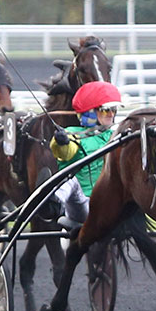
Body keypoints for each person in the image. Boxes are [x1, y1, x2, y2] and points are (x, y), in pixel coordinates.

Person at [48, 81, 125, 229]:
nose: (111, 114)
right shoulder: (72, 134)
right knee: (71, 181)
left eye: (113, 109)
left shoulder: (117, 135)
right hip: (83, 206)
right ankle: (54, 204)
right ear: (89, 112)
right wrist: (61, 142)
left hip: (110, 205)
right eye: (105, 110)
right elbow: (65, 153)